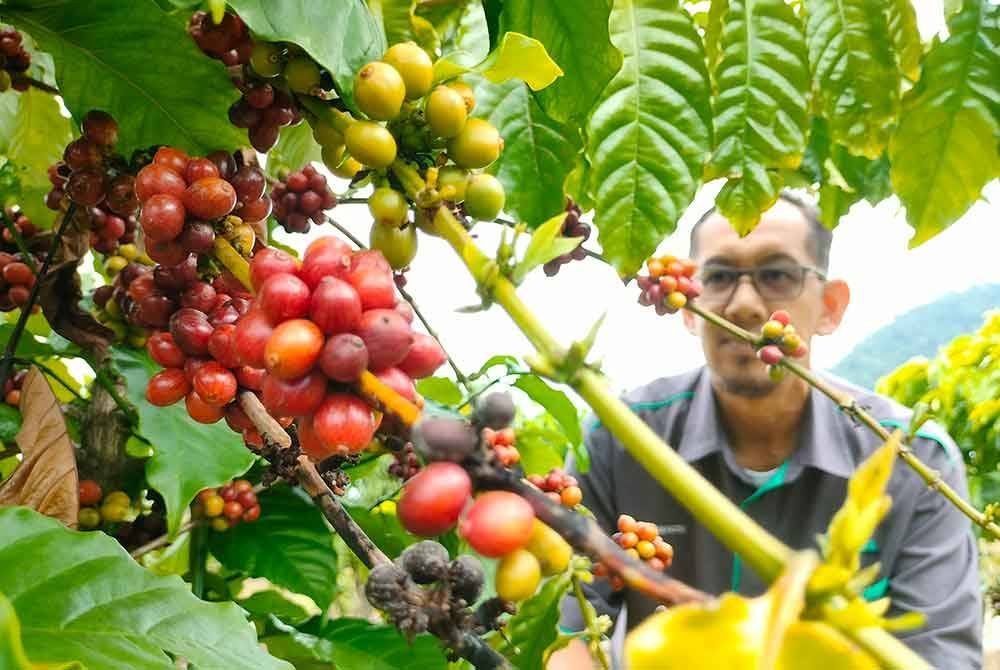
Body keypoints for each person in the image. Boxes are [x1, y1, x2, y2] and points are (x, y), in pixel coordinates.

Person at [548, 193, 982, 669]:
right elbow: (569, 632)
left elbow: (941, 655)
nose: (745, 305)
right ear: (689, 307)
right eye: (718, 278)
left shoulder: (915, 463)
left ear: (830, 307)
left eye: (777, 275)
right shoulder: (618, 440)